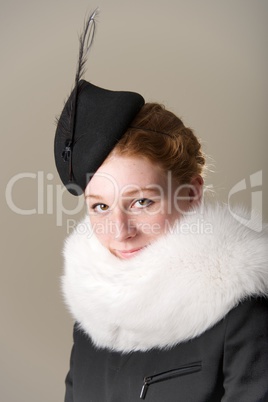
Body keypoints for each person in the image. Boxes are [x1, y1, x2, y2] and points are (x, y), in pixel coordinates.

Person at [54, 11, 268, 402]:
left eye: (141, 201)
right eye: (100, 207)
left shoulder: (242, 313)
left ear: (191, 194)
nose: (120, 231)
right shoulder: (93, 318)